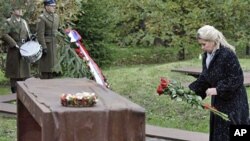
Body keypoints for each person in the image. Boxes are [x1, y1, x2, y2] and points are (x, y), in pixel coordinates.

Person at [189, 25, 250, 141]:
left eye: (204, 44)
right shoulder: (206, 56)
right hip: (218, 103)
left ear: (212, 41)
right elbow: (205, 78)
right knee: (219, 135)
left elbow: (236, 78)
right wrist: (190, 92)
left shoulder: (227, 54)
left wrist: (217, 89)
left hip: (234, 103)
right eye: (200, 44)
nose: (202, 48)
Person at [1, 6, 31, 93]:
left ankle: (24, 96)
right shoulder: (8, 22)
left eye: (21, 9)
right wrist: (13, 44)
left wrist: (31, 40)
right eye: (18, 9)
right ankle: (14, 95)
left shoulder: (24, 22)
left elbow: (28, 34)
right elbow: (3, 34)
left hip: (25, 49)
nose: (21, 10)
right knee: (14, 74)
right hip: (14, 50)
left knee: (24, 74)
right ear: (13, 11)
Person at [36, 0, 59, 79]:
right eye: (52, 6)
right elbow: (40, 34)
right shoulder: (42, 18)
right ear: (46, 6)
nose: (54, 7)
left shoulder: (56, 16)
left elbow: (58, 30)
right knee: (46, 68)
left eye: (54, 6)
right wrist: (43, 46)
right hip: (47, 44)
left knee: (53, 68)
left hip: (54, 43)